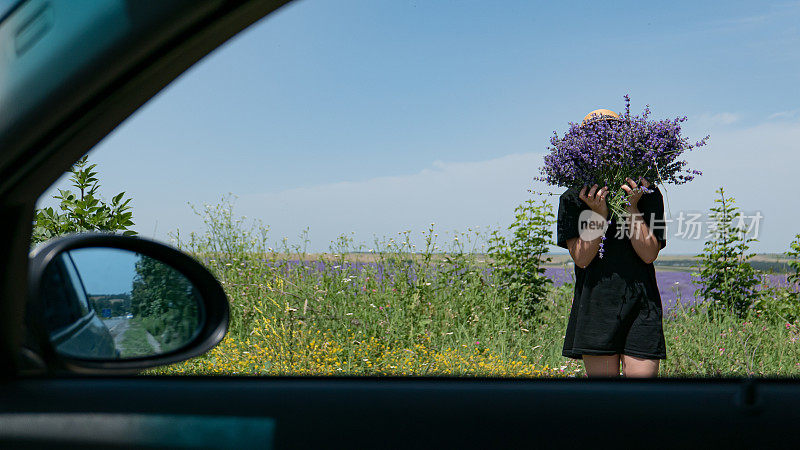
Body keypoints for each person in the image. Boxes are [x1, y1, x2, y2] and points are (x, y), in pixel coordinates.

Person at [557, 109, 668, 378]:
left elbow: (649, 253)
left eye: (613, 130)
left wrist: (631, 207)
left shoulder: (645, 192)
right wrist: (598, 215)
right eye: (596, 133)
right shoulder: (574, 197)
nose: (605, 138)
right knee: (605, 401)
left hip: (642, 303)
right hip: (596, 304)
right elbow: (582, 258)